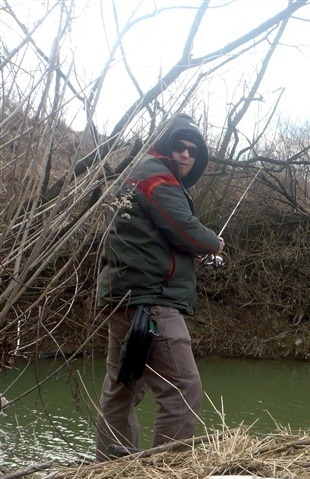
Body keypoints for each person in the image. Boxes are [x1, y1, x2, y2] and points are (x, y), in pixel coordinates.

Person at [95, 114, 224, 460]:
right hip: (151, 303)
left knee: (122, 387)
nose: (185, 155)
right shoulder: (157, 178)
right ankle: (166, 474)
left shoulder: (139, 173)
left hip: (125, 298)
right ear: (166, 146)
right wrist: (215, 244)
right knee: (183, 387)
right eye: (179, 147)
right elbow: (185, 230)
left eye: (192, 151)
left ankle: (112, 469)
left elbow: (153, 239)